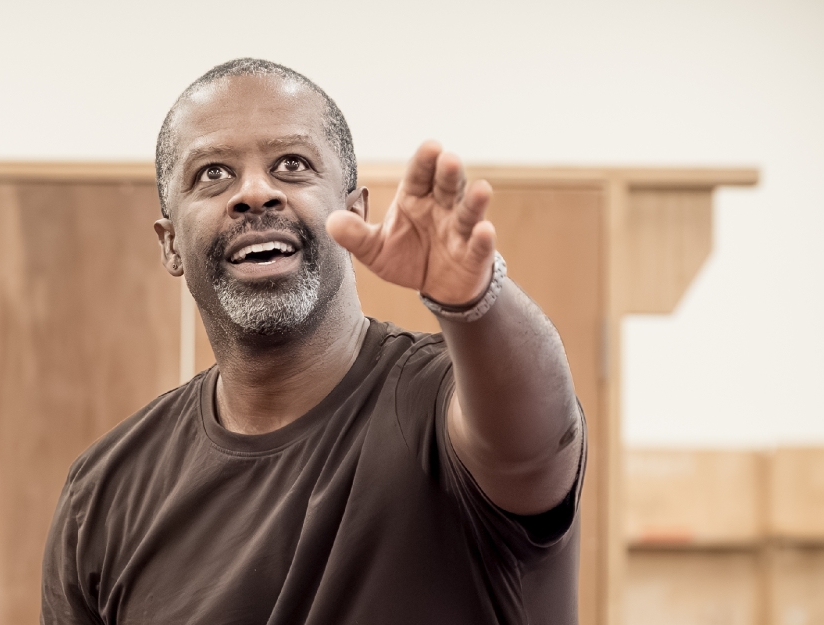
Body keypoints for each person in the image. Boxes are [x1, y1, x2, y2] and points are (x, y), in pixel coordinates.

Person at [41, 58, 585, 625]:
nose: (254, 192)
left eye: (292, 165)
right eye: (212, 174)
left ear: (354, 212)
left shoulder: (443, 408)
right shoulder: (104, 492)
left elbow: (544, 438)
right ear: (170, 243)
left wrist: (475, 301)